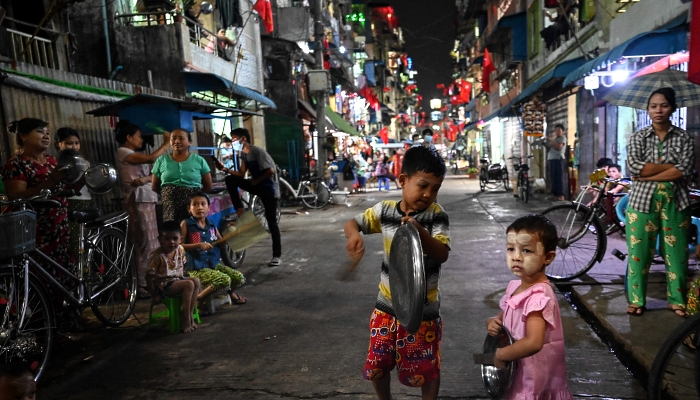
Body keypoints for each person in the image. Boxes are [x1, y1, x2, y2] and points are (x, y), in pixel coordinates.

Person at [344, 146, 450, 400]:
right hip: (386, 306)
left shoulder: (437, 216)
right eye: (422, 185)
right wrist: (354, 235)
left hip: (423, 309)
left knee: (426, 366)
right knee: (378, 364)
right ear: (403, 180)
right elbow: (352, 222)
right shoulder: (385, 211)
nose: (428, 194)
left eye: (435, 188)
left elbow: (442, 254)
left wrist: (419, 232)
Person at [486, 214, 573, 400]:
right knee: (480, 359)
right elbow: (512, 311)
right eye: (511, 249)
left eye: (526, 251)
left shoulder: (538, 296)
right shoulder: (517, 287)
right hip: (518, 370)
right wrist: (496, 320)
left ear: (547, 257)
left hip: (532, 378)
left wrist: (501, 354)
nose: (516, 257)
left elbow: (534, 342)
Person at [625, 87, 694, 317]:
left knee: (677, 254)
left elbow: (684, 170)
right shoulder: (638, 137)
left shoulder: (684, 137)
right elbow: (635, 167)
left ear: (672, 108)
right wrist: (669, 168)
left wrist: (649, 175)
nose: (658, 110)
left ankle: (677, 300)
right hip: (642, 203)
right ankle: (636, 300)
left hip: (677, 202)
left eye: (663, 105)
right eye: (653, 106)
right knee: (639, 253)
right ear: (648, 109)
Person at [1, 119, 81, 286]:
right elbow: (16, 197)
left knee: (64, 278)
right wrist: (49, 182)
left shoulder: (53, 161)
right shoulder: (16, 165)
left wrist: (88, 178)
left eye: (47, 132)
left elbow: (65, 189)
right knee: (39, 281)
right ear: (23, 136)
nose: (46, 135)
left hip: (59, 231)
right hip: (34, 236)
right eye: (39, 131)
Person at [115, 120, 171, 299]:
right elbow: (151, 159)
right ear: (129, 137)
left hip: (146, 199)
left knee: (152, 242)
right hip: (137, 200)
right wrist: (165, 143)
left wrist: (146, 179)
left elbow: (152, 174)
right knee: (143, 242)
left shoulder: (132, 153)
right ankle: (141, 284)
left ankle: (151, 280)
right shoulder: (123, 152)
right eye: (138, 136)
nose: (141, 140)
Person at [215, 128, 282, 267]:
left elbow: (270, 170)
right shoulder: (244, 155)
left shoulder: (257, 151)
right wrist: (225, 169)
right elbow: (241, 174)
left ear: (243, 139)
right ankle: (239, 209)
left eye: (234, 139)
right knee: (230, 180)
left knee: (272, 222)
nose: (233, 142)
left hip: (269, 190)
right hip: (256, 185)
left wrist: (256, 181)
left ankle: (277, 256)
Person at [180, 191, 247, 306]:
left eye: (203, 204)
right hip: (197, 267)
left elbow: (221, 243)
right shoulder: (186, 224)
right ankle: (197, 300)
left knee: (239, 277)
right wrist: (198, 245)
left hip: (213, 264)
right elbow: (179, 246)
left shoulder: (211, 224)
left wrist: (232, 231)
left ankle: (230, 293)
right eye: (195, 204)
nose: (199, 207)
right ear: (189, 209)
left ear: (208, 208)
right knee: (223, 280)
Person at [147, 221, 201, 333]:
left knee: (196, 281)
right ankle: (186, 319)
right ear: (160, 239)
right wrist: (153, 295)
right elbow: (148, 277)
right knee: (189, 284)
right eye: (167, 239)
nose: (171, 242)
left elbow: (181, 269)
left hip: (177, 280)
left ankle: (189, 314)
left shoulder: (180, 249)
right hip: (163, 286)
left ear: (180, 239)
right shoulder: (157, 256)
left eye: (175, 239)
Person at [152, 128, 212, 224]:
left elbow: (208, 186)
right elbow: (155, 186)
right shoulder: (161, 160)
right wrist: (168, 194)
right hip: (170, 206)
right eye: (173, 138)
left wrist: (195, 198)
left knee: (192, 230)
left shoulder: (199, 160)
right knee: (173, 233)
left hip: (192, 206)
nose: (177, 141)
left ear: (190, 142)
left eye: (181, 138)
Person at [54, 128, 92, 258]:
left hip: (83, 201)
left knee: (82, 237)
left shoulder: (85, 162)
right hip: (64, 201)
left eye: (77, 143)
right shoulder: (55, 163)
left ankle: (83, 267)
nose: (74, 146)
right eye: (69, 143)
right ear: (58, 144)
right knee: (69, 238)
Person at [546, 124, 567, 201]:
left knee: (559, 178)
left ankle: (561, 195)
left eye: (559, 130)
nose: (557, 132)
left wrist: (551, 140)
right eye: (556, 130)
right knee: (553, 178)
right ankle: (555, 195)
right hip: (552, 159)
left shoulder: (563, 138)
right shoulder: (555, 139)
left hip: (558, 159)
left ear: (562, 131)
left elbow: (559, 147)